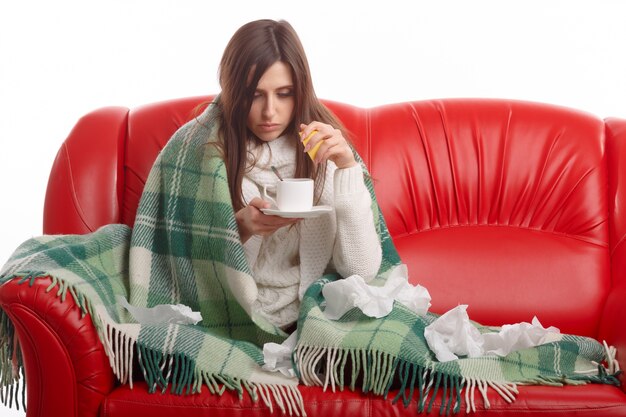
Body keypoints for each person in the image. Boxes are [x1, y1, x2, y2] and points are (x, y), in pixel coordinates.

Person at [211, 19, 382, 330]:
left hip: (315, 310)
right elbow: (189, 273)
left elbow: (362, 270)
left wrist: (347, 169)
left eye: (284, 93)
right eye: (255, 94)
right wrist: (240, 229)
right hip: (235, 314)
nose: (269, 112)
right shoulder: (207, 152)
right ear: (234, 90)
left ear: (300, 91)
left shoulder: (324, 148)